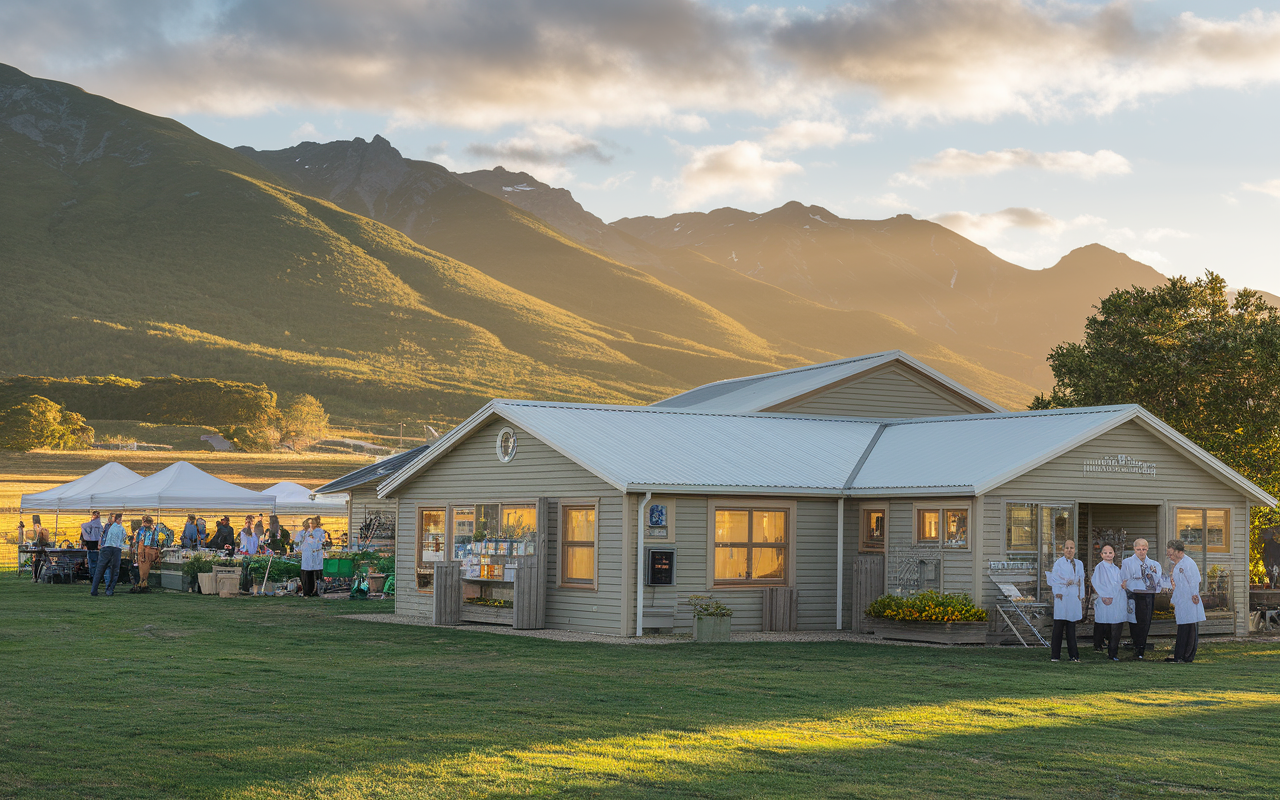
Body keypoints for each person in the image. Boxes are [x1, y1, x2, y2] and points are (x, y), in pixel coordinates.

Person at [1121, 537, 1163, 660]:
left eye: (1144, 549)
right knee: (1134, 621)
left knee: (1145, 622)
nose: (1141, 551)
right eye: (1138, 549)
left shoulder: (1153, 564)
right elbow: (1124, 579)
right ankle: (1135, 645)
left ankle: (1141, 649)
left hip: (1147, 595)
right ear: (1134, 549)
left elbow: (1157, 579)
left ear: (1147, 549)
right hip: (1133, 595)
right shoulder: (1127, 562)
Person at [1166, 540, 1206, 663]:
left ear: (1180, 552)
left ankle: (1186, 656)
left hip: (1189, 599)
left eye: (1171, 553)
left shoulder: (1188, 564)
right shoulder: (1176, 565)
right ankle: (1179, 655)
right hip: (1181, 599)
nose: (1169, 556)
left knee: (1189, 627)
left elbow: (1194, 581)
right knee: (1182, 627)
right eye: (1168, 553)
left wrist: (1194, 595)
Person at [1049, 539, 1084, 662]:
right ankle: (1055, 655)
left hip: (1074, 597)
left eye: (1072, 548)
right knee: (1058, 627)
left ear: (1075, 550)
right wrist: (1059, 591)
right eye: (1067, 548)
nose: (1069, 550)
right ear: (1063, 549)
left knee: (1071, 627)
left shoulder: (1079, 564)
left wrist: (1081, 595)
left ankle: (1073, 655)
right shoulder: (1059, 563)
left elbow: (1081, 580)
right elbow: (1054, 579)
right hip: (1062, 597)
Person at [1091, 543, 1126, 661]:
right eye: (1105, 553)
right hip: (1105, 600)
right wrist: (1105, 596)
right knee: (1105, 625)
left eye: (1110, 552)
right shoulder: (1099, 567)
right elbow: (1097, 582)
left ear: (1114, 554)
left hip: (1116, 600)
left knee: (1116, 626)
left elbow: (1119, 583)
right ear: (1101, 554)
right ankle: (1100, 645)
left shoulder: (1116, 569)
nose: (1108, 555)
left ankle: (1113, 652)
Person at [90, 513, 126, 596]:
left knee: (100, 569)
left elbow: (101, 536)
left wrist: (100, 545)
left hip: (106, 548)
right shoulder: (119, 528)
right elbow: (124, 537)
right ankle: (109, 589)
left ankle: (94, 590)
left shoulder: (107, 527)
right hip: (115, 548)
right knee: (114, 570)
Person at [130, 516, 162, 593]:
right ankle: (143, 582)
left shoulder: (147, 530)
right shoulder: (152, 529)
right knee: (144, 566)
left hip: (147, 549)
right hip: (147, 549)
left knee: (144, 566)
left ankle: (143, 582)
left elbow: (138, 540)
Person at [297, 518, 324, 597]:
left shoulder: (319, 532)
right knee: (307, 574)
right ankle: (307, 592)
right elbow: (299, 543)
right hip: (307, 556)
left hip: (315, 555)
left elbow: (320, 541)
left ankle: (314, 591)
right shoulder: (303, 533)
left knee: (314, 574)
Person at [81, 511, 104, 579]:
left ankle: (94, 576)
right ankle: (93, 576)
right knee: (93, 562)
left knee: (94, 563)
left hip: (95, 547)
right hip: (92, 547)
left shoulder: (98, 526)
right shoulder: (92, 525)